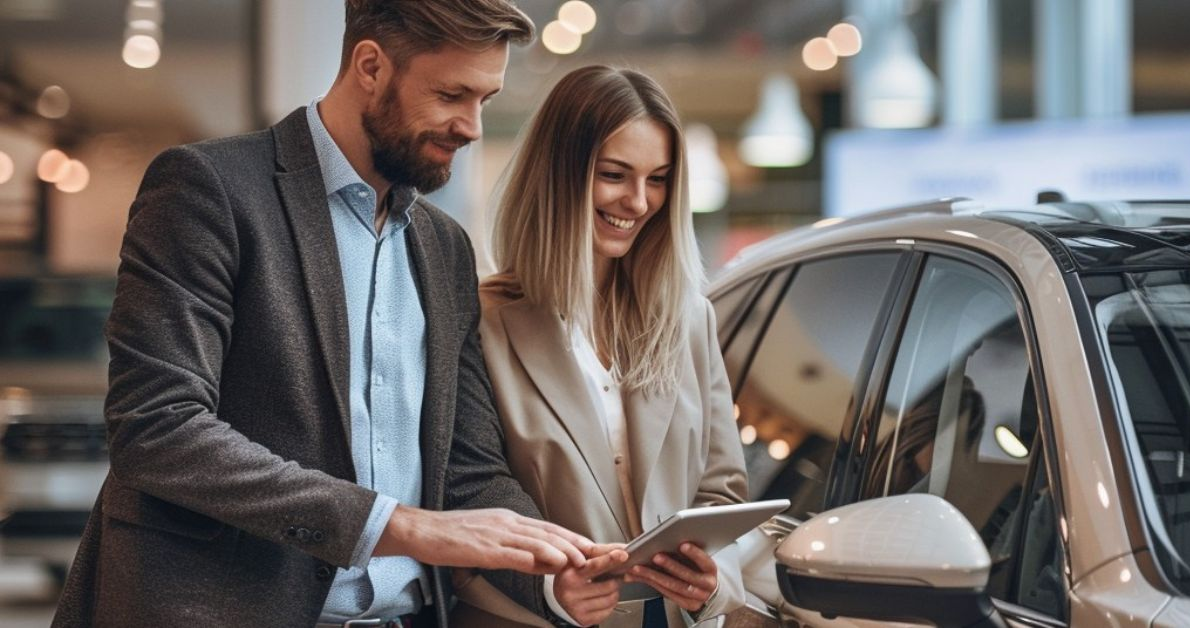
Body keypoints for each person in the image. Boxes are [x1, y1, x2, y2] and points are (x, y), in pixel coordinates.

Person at [51, 2, 610, 627]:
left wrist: (558, 569)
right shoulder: (208, 188)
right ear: (370, 65)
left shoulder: (444, 246)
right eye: (452, 94)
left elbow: (467, 469)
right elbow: (158, 428)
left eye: (485, 98)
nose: (472, 126)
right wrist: (399, 527)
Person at [452, 65, 750, 628]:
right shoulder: (480, 322)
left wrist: (711, 583)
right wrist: (550, 590)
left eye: (659, 179)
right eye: (615, 174)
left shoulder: (688, 320)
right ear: (558, 175)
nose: (639, 202)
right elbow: (468, 493)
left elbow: (723, 496)